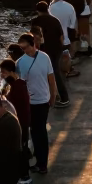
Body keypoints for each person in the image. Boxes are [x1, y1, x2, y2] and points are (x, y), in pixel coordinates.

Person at [17, 33, 57, 173]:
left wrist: (53, 94)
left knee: (38, 131)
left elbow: (51, 78)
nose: (24, 51)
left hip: (43, 100)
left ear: (33, 44)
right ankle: (41, 162)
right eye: (22, 49)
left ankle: (42, 163)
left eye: (26, 47)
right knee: (36, 131)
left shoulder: (44, 57)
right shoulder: (20, 62)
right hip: (30, 102)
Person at [29, 5, 70, 106]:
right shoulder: (55, 20)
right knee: (54, 71)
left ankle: (63, 98)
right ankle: (56, 95)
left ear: (38, 10)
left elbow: (34, 37)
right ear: (47, 9)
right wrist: (61, 48)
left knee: (51, 73)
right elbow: (61, 36)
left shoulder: (36, 21)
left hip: (44, 49)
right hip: (56, 49)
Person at [0, 57, 31, 153]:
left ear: (11, 72)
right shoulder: (18, 84)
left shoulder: (18, 86)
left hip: (20, 122)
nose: (2, 75)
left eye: (4, 72)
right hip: (21, 121)